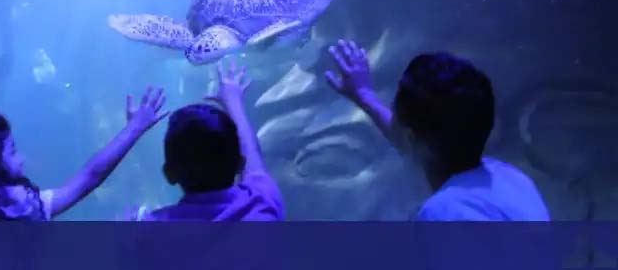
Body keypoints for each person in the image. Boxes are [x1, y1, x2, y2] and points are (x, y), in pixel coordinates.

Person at [325, 40, 549, 221]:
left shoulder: (445, 215)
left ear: (411, 137)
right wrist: (364, 95)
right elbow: (412, 140)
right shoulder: (510, 179)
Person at [0, 87, 169, 220]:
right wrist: (135, 128)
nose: (22, 159)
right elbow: (89, 177)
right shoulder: (12, 205)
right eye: (13, 151)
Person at [138, 60, 285, 221]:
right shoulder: (262, 205)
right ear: (240, 164)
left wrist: (134, 128)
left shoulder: (150, 232)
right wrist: (234, 101)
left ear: (169, 173)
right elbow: (255, 165)